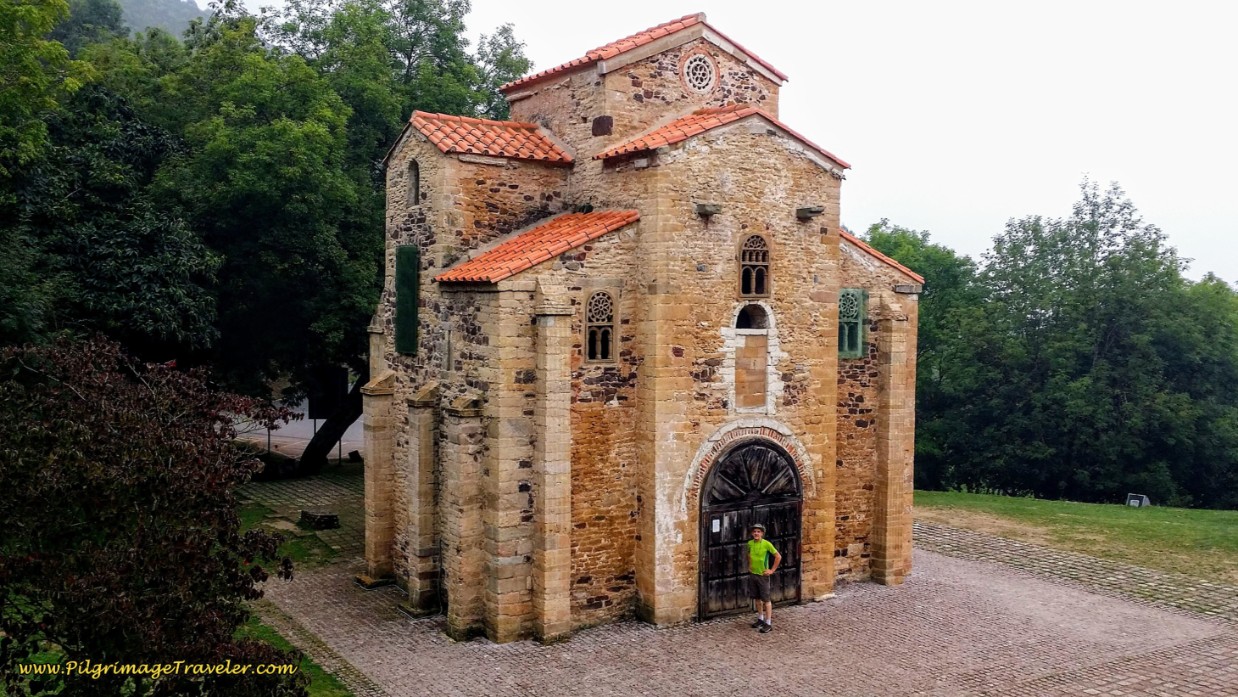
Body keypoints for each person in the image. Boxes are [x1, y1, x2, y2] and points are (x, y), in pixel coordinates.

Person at [747, 523, 781, 633]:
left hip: (763, 575)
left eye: (758, 531)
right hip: (753, 574)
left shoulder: (767, 544)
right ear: (752, 533)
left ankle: (768, 623)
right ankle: (760, 619)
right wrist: (750, 566)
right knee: (757, 598)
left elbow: (778, 556)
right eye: (754, 531)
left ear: (762, 533)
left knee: (766, 600)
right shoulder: (750, 544)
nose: (756, 533)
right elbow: (749, 555)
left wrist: (772, 570)